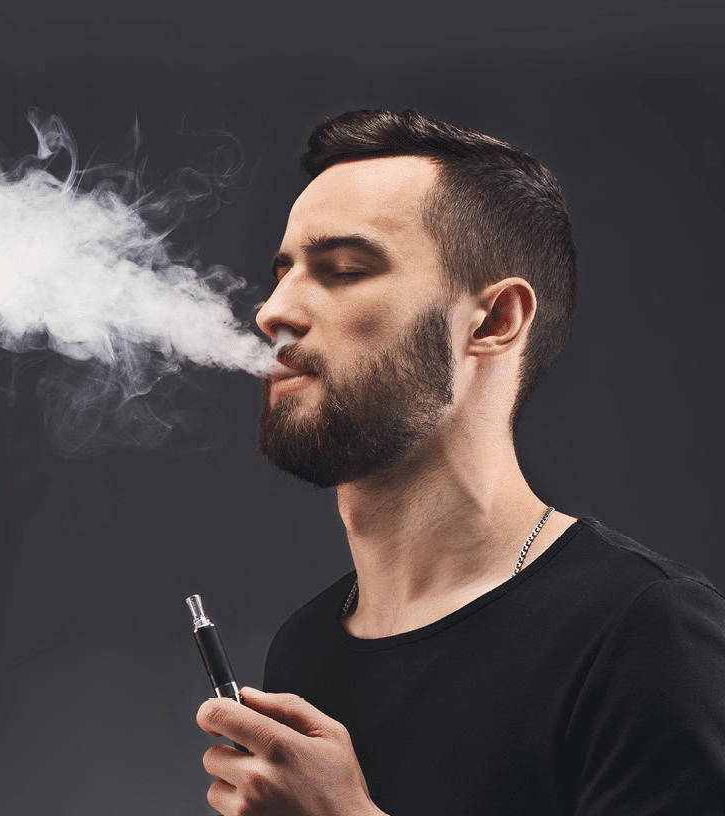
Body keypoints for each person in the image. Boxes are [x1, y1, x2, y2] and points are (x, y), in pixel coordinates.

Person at [195, 109, 725, 815]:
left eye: (345, 270)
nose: (272, 310)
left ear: (496, 321)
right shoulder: (307, 647)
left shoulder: (646, 632)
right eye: (284, 271)